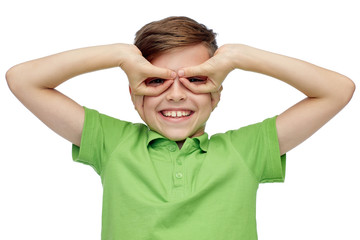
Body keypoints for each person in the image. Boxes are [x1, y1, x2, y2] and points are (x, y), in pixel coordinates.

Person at [6, 16, 355, 240]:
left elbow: (338, 90)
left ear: (217, 92)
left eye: (196, 80)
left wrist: (238, 56)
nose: (175, 94)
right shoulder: (112, 143)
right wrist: (118, 54)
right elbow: (22, 80)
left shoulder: (247, 149)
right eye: (155, 80)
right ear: (133, 91)